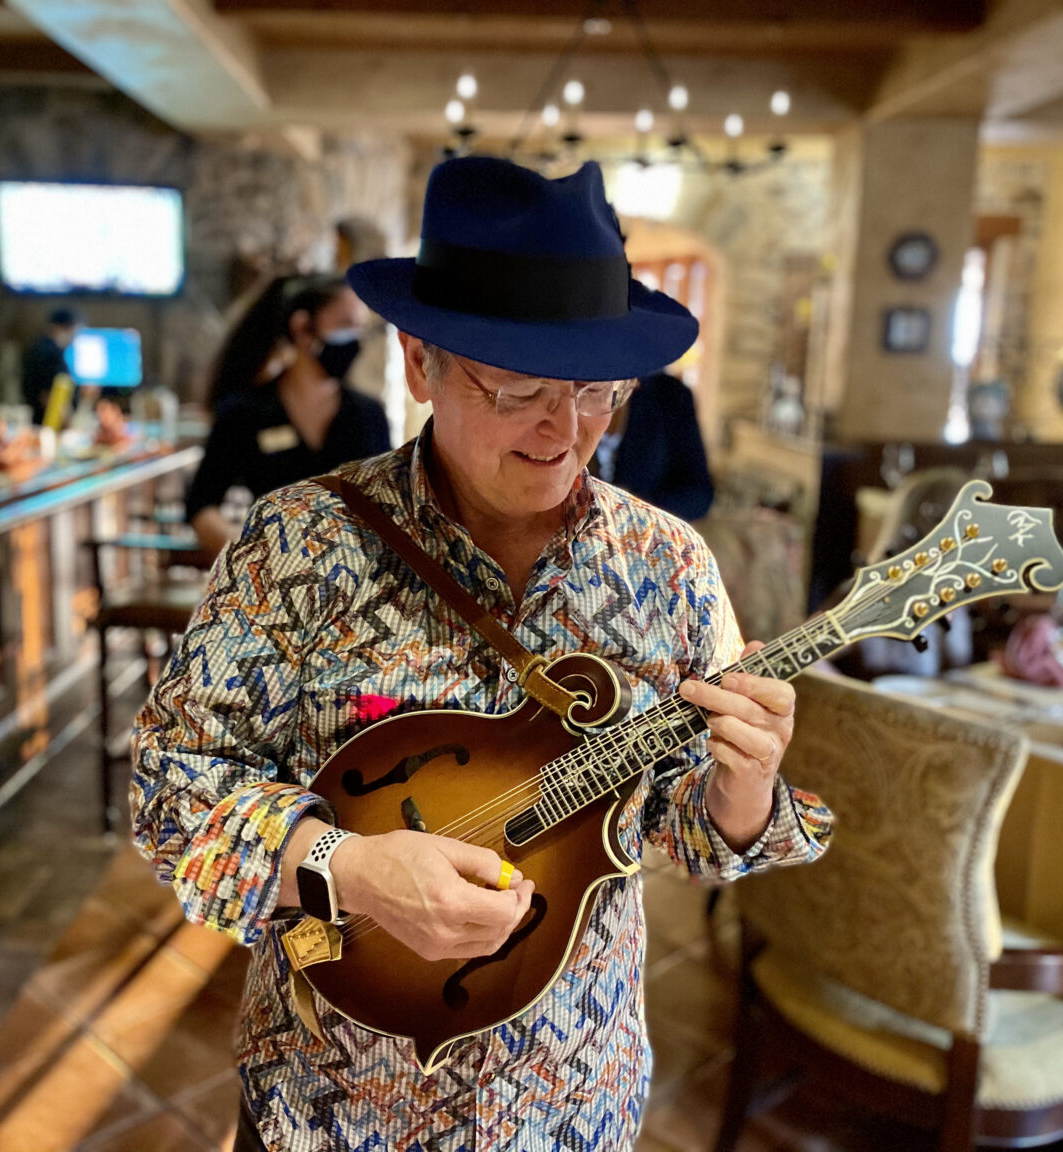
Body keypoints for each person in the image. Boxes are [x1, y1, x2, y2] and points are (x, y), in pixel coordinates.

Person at [132, 157, 831, 1152]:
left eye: (598, 392)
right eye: (519, 388)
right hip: (333, 1109)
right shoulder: (301, 544)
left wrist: (742, 789)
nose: (565, 432)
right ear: (420, 363)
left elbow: (683, 831)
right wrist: (347, 866)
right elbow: (170, 792)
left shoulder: (668, 562)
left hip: (569, 1103)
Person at [184, 274, 391, 554]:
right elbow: (201, 506)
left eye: (359, 328)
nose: (355, 341)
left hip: (356, 571)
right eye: (345, 325)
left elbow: (390, 507)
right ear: (303, 328)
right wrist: (257, 555)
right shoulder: (245, 413)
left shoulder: (368, 415)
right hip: (277, 571)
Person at [591, 368, 715, 521]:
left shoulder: (668, 395)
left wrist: (635, 512)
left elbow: (699, 495)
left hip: (642, 528)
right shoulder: (570, 393)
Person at [21, 307, 83, 426]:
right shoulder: (51, 353)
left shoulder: (37, 347)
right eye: (74, 332)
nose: (74, 338)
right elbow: (49, 396)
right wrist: (68, 425)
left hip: (37, 420)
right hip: (49, 424)